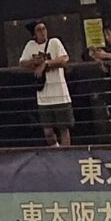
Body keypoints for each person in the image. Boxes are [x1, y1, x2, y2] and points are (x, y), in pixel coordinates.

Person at [20, 20, 73, 148]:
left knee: (63, 128)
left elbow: (64, 58)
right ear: (34, 34)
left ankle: (66, 154)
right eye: (39, 30)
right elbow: (22, 63)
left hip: (59, 93)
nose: (43, 32)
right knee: (48, 131)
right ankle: (56, 149)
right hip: (43, 96)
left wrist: (46, 63)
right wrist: (34, 62)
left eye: (44, 28)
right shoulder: (30, 45)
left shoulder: (54, 42)